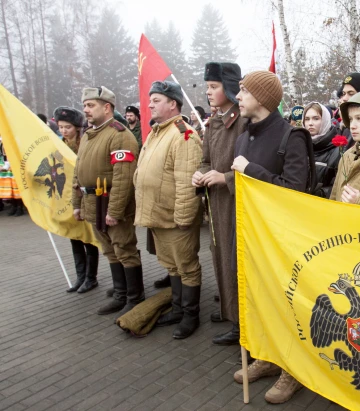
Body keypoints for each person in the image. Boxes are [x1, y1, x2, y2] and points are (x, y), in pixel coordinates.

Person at [231, 70, 309, 404]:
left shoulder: (291, 137)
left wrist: (251, 170)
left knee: (284, 303)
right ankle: (267, 356)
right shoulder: (244, 133)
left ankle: (292, 370)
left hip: (282, 241)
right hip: (251, 234)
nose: (238, 97)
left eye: (243, 92)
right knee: (260, 298)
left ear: (261, 98)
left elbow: (295, 190)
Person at [133, 81, 203, 339]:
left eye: (156, 100)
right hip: (159, 214)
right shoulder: (156, 132)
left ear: (172, 103)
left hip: (176, 218)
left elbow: (187, 181)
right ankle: (176, 309)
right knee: (172, 267)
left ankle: (190, 315)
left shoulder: (183, 134)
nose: (150, 103)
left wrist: (184, 218)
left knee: (186, 266)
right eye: (150, 99)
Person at [72, 86, 144, 317]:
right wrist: (76, 204)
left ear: (107, 107)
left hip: (111, 203)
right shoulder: (88, 135)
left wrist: (114, 211)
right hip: (93, 203)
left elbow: (123, 179)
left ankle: (135, 298)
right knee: (109, 250)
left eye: (91, 105)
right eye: (85, 105)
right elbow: (78, 172)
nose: (86, 110)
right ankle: (121, 294)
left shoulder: (119, 135)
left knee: (124, 248)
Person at [192, 62, 248, 344]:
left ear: (228, 87)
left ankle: (242, 325)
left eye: (213, 87)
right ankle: (230, 312)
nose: (209, 93)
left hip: (236, 205)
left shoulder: (244, 121)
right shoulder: (214, 121)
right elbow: (205, 160)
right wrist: (199, 175)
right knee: (220, 259)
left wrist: (224, 178)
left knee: (235, 262)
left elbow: (256, 169)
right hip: (216, 205)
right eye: (207, 88)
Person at [54, 106, 100, 293]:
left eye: (68, 127)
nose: (64, 131)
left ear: (77, 128)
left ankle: (91, 278)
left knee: (89, 239)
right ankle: (80, 276)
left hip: (84, 197)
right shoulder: (58, 146)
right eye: (61, 127)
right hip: (67, 198)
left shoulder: (85, 143)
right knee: (74, 238)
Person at [302, 101, 340, 198]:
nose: (310, 123)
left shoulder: (337, 150)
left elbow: (338, 186)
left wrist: (321, 193)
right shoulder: (298, 146)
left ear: (325, 120)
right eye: (307, 119)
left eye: (316, 118)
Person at [0, 137, 24, 216]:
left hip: (15, 167)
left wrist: (6, 166)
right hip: (8, 168)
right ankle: (14, 206)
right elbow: (5, 156)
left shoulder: (12, 139)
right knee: (11, 189)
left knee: (17, 189)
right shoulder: (2, 141)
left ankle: (19, 207)